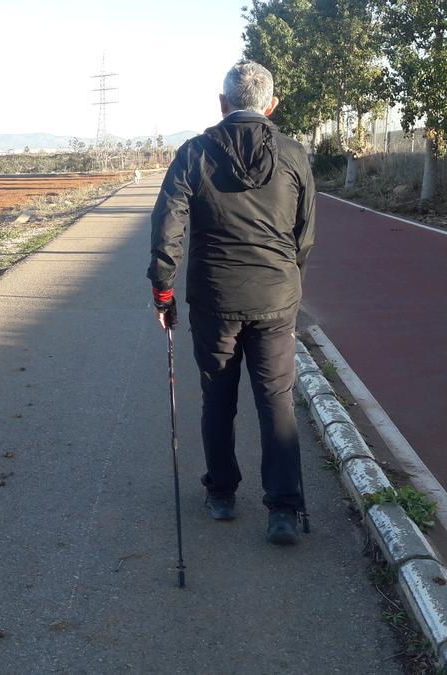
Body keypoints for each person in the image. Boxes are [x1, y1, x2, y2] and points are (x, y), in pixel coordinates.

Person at [147, 59, 316, 545]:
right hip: (275, 298)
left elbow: (167, 229)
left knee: (218, 397)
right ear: (271, 104)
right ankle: (283, 508)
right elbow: (305, 234)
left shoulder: (194, 154)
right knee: (276, 399)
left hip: (214, 300)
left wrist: (163, 291)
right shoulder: (293, 154)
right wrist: (290, 280)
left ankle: (221, 494)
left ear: (222, 104)